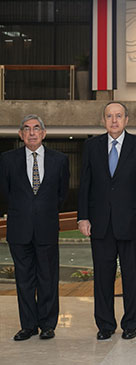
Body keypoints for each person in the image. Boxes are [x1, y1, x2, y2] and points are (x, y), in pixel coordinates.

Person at [78, 101, 136, 340]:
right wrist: (83, 217)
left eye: (118, 116)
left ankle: (130, 324)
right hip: (100, 224)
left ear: (127, 119)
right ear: (104, 120)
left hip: (132, 223)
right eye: (109, 116)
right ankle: (105, 325)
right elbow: (85, 185)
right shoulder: (91, 146)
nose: (114, 120)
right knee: (103, 277)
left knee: (132, 276)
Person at [0, 115, 69, 341]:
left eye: (36, 128)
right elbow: (4, 193)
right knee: (24, 279)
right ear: (20, 134)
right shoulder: (7, 160)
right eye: (26, 129)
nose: (31, 133)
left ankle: (48, 325)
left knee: (48, 278)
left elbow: (62, 194)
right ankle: (28, 325)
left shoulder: (59, 160)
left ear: (44, 133)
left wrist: (42, 211)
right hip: (19, 229)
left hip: (47, 228)